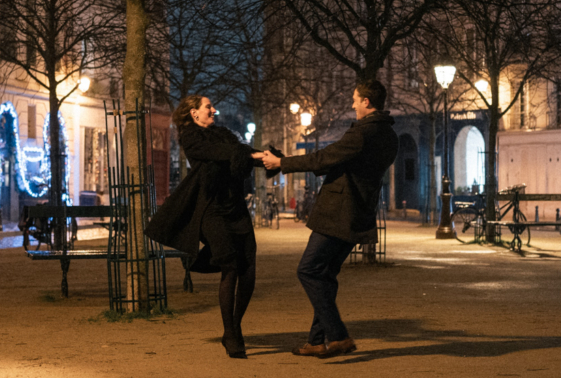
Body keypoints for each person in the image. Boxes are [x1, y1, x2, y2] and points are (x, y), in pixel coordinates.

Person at [260, 80, 396, 359]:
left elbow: (323, 159)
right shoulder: (389, 135)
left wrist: (281, 164)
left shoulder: (363, 133)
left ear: (367, 102)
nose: (352, 104)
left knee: (308, 270)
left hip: (339, 212)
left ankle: (338, 336)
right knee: (325, 275)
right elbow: (336, 162)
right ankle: (316, 341)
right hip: (358, 212)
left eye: (356, 99)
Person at [146, 95, 268, 358]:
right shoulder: (191, 138)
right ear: (194, 113)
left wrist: (269, 157)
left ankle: (234, 327)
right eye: (208, 107)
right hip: (211, 209)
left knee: (248, 268)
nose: (213, 110)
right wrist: (247, 152)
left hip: (235, 207)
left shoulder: (224, 135)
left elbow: (240, 151)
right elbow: (220, 154)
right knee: (230, 266)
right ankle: (232, 332)